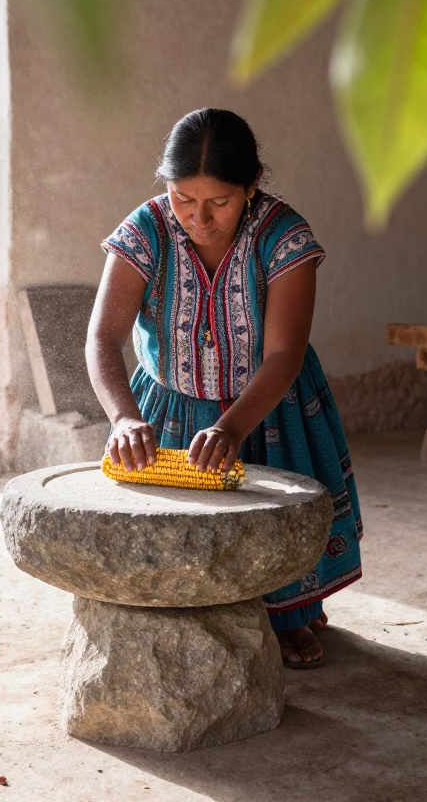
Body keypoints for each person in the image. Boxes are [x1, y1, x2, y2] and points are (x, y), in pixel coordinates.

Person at [85, 108, 363, 669]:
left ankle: (286, 618)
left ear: (251, 186)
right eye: (184, 198)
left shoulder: (284, 237)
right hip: (168, 407)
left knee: (272, 528)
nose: (199, 218)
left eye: (220, 202)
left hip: (270, 406)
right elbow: (102, 338)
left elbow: (284, 353)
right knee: (177, 551)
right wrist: (124, 418)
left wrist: (233, 426)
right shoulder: (146, 231)